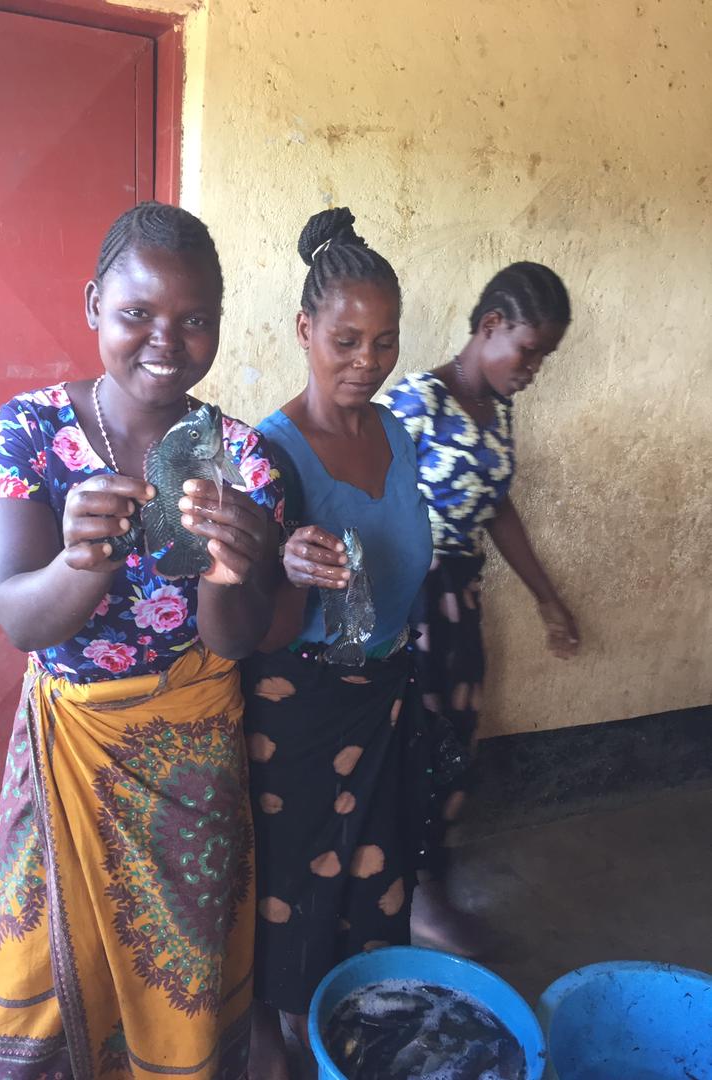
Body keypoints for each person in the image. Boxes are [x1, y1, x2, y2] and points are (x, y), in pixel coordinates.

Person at [0, 201, 283, 1080]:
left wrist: (230, 573)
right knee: (47, 971)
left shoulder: (243, 459)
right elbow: (20, 617)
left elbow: (234, 643)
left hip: (193, 756)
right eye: (137, 313)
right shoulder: (26, 435)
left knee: (178, 969)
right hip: (71, 746)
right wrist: (83, 560)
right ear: (92, 306)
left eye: (194, 320)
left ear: (218, 325)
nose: (165, 340)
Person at [240, 208, 434, 1079]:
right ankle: (281, 1036)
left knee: (374, 878)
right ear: (304, 331)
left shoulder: (394, 432)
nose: (367, 364)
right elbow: (262, 630)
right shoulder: (269, 457)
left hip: (386, 697)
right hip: (300, 713)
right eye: (346, 340)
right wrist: (283, 565)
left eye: (385, 343)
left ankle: (349, 1022)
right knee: (297, 889)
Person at [379, 261, 580, 951]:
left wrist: (547, 597)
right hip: (408, 602)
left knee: (453, 746)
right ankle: (411, 897)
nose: (533, 371)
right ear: (489, 327)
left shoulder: (498, 408)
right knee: (415, 744)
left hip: (460, 598)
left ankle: (423, 885)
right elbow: (362, 501)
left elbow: (496, 507)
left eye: (545, 359)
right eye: (528, 353)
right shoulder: (416, 404)